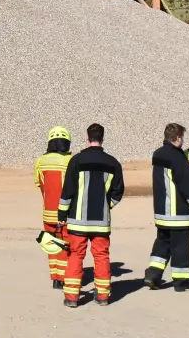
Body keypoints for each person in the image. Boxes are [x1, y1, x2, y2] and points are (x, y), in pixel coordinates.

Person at [58, 123, 124, 307]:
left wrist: (62, 214)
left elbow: (68, 190)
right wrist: (107, 206)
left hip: (77, 220)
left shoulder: (76, 160)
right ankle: (103, 296)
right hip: (101, 221)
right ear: (102, 138)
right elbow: (118, 192)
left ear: (86, 138)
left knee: (75, 255)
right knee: (101, 256)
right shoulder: (113, 163)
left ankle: (72, 297)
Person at [147, 123, 189, 292]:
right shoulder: (177, 158)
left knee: (162, 244)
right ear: (178, 138)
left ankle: (152, 275)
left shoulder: (159, 154)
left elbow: (175, 159)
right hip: (178, 213)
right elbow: (187, 186)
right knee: (180, 248)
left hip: (162, 213)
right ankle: (181, 282)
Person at [33, 126, 73, 290]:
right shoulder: (69, 160)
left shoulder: (41, 161)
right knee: (66, 244)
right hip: (66, 212)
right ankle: (63, 278)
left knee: (51, 244)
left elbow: (39, 184)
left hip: (47, 212)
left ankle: (55, 278)